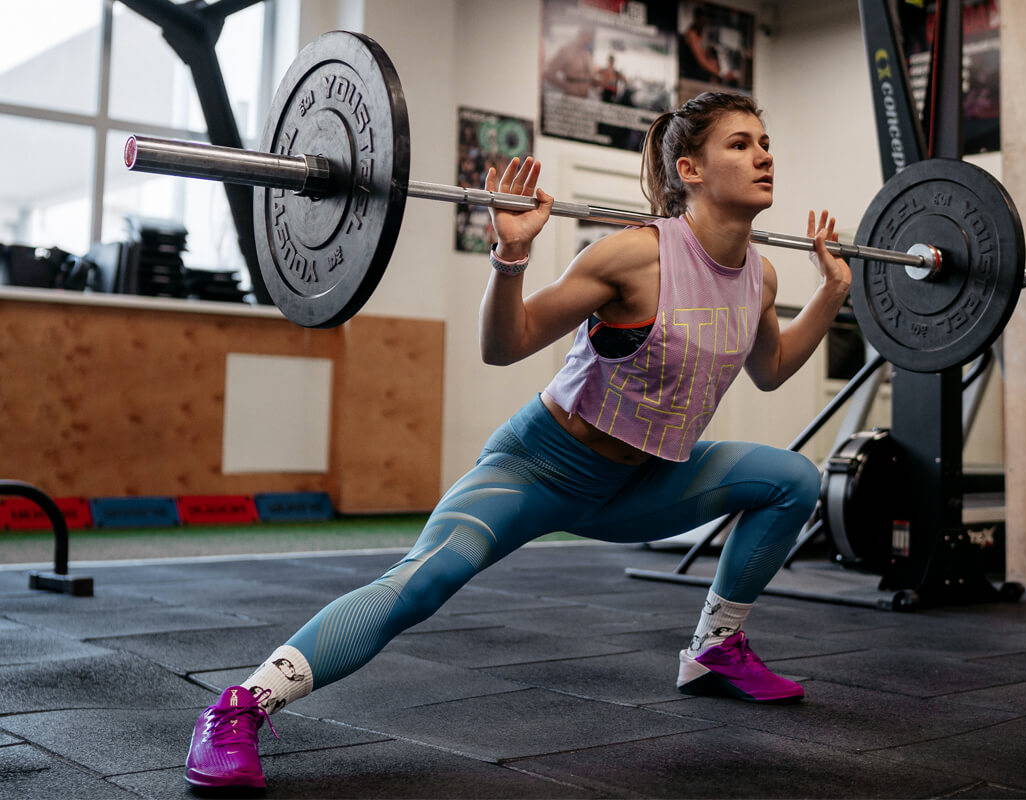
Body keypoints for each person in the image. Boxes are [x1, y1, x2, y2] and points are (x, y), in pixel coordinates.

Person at [183, 90, 852, 790]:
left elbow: (771, 371)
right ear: (690, 168)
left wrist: (830, 297)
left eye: (763, 141)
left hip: (647, 481)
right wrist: (510, 254)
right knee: (425, 579)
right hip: (540, 467)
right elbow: (506, 345)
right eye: (740, 144)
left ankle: (714, 647)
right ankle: (238, 709)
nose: (763, 154)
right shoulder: (633, 257)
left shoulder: (761, 275)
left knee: (793, 479)